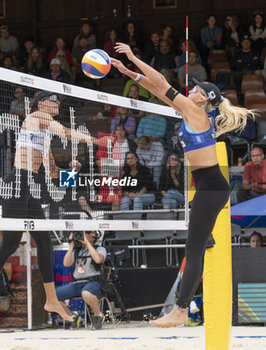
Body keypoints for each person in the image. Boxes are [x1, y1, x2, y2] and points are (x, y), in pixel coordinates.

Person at [111, 42, 256, 327]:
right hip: (210, 185)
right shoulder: (196, 110)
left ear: (202, 98)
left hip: (211, 186)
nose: (191, 90)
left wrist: (133, 56)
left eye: (197, 89)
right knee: (197, 239)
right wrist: (128, 72)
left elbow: (163, 83)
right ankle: (207, 238)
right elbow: (158, 90)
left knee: (192, 251)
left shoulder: (195, 111)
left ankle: (180, 309)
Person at [0, 90, 106, 323]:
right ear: (42, 103)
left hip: (30, 186)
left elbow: (53, 173)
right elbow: (66, 132)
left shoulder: (44, 136)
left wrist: (73, 172)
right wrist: (97, 141)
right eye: (54, 100)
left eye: (59, 101)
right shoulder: (37, 117)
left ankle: (51, 299)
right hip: (17, 183)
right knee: (11, 241)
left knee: (45, 239)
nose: (58, 103)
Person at [56, 231, 107, 329]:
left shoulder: (100, 249)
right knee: (54, 296)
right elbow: (66, 263)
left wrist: (87, 243)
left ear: (94, 235)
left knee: (86, 293)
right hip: (77, 284)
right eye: (85, 233)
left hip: (94, 283)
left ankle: (98, 316)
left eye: (88, 233)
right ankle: (73, 317)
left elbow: (98, 260)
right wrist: (71, 245)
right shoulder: (78, 251)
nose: (85, 235)